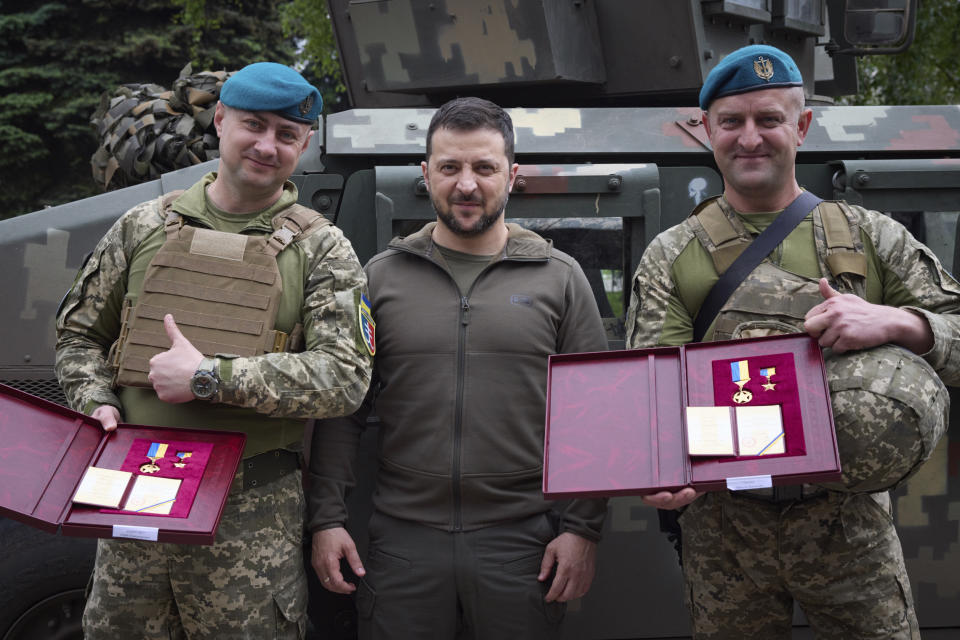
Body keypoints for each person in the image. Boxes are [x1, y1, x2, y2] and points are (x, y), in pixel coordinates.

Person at [625, 44, 960, 639]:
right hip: (725, 530)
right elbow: (652, 388)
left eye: (769, 119)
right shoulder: (672, 257)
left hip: (847, 526)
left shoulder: (868, 236)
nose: (749, 138)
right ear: (707, 130)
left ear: (801, 126)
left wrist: (897, 322)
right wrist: (659, 464)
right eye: (731, 122)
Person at [55, 62, 373, 639]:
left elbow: (344, 377)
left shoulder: (324, 249)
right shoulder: (141, 226)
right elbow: (79, 337)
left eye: (286, 135)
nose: (266, 145)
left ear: (304, 143)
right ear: (221, 120)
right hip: (135, 496)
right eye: (254, 125)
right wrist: (95, 399)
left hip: (250, 512)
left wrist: (209, 376)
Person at [307, 96, 608, 639]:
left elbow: (594, 413)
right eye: (450, 167)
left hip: (522, 545)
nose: (466, 185)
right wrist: (327, 519)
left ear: (512, 176)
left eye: (484, 168)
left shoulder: (559, 279)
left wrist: (583, 529)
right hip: (403, 544)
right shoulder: (380, 279)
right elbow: (342, 410)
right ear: (426, 175)